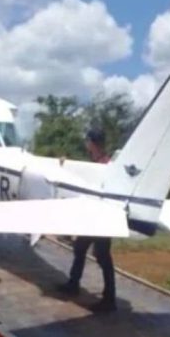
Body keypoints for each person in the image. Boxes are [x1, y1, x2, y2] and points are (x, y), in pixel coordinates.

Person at [58, 128, 117, 313]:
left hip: (101, 218)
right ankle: (73, 284)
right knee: (80, 248)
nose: (86, 144)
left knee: (102, 256)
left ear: (92, 143)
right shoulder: (101, 163)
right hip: (94, 217)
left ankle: (109, 299)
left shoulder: (104, 165)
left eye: (87, 141)